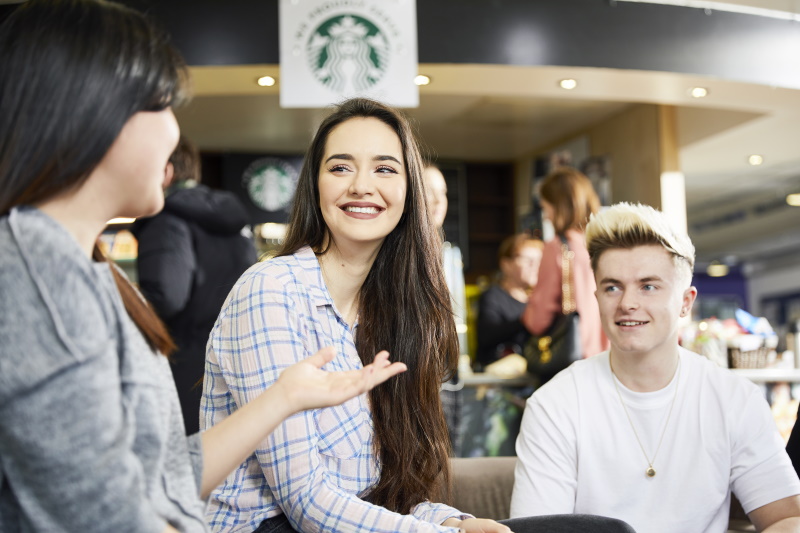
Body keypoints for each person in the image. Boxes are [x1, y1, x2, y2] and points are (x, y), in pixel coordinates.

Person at [0, 2, 406, 532]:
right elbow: (107, 517)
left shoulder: (88, 272)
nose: (174, 131)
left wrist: (284, 398)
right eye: (161, 105)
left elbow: (161, 479)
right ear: (89, 114)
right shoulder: (38, 275)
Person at [200, 98, 635, 533]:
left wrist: (451, 520)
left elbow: (383, 492)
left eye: (385, 169)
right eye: (340, 167)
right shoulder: (271, 291)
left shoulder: (397, 312)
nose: (362, 186)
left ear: (409, 192)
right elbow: (307, 502)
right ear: (314, 186)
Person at [511, 202, 800, 532]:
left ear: (685, 302)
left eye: (648, 286)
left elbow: (786, 517)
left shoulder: (734, 399)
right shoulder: (555, 405)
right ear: (597, 297)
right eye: (612, 286)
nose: (627, 303)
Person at [132, 135, 257, 435]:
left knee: (185, 463)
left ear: (166, 171)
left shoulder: (168, 218)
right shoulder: (233, 220)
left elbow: (166, 296)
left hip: (184, 365)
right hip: (236, 361)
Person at [522, 167, 608, 382]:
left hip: (572, 362)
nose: (547, 217)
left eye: (546, 208)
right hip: (609, 361)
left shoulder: (558, 247)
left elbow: (539, 320)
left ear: (559, 207)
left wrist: (526, 311)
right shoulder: (606, 246)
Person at [422, 162, 467, 454]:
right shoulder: (401, 251)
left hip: (449, 375)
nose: (439, 201)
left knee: (450, 463)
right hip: (418, 381)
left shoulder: (447, 252)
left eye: (444, 192)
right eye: (429, 192)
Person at [476, 235, 544, 369]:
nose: (535, 265)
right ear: (506, 264)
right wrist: (525, 320)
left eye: (539, 260)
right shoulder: (493, 296)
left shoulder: (539, 300)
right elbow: (487, 334)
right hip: (501, 381)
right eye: (527, 260)